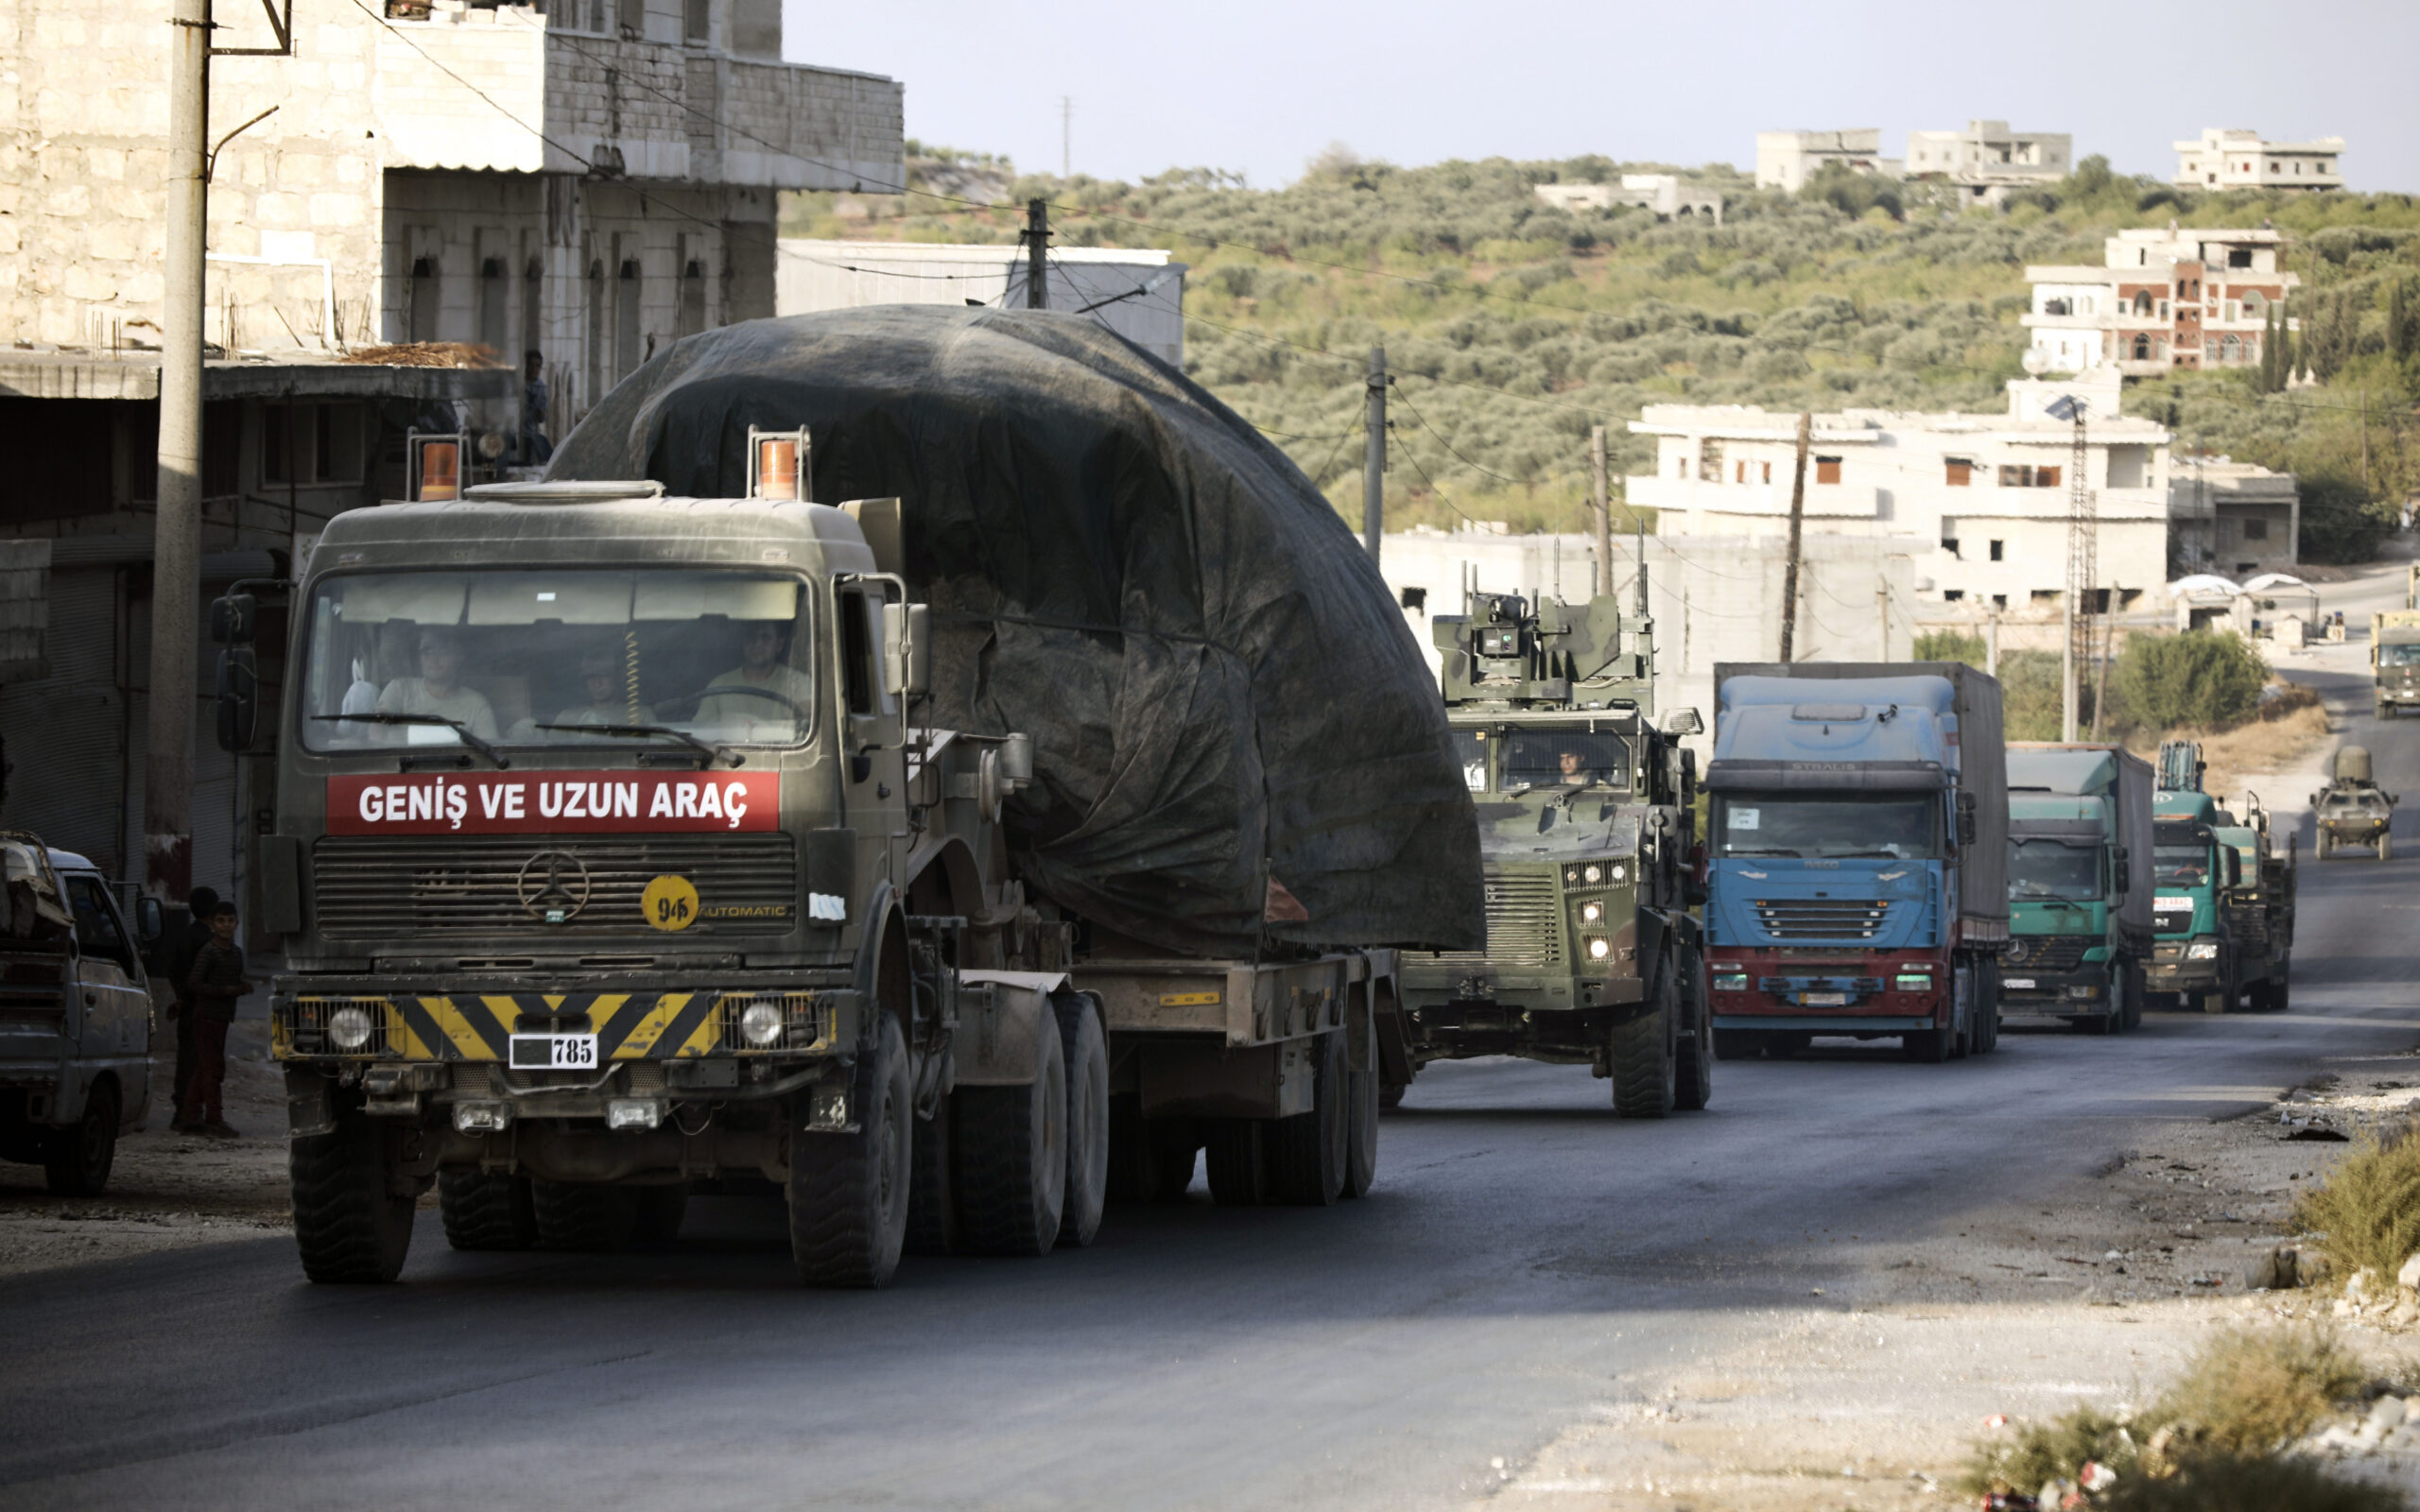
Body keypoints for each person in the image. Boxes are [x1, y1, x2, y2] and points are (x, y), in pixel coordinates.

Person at [179, 900, 251, 1139]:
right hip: (206, 1017)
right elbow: (194, 983)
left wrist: (240, 988)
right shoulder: (209, 951)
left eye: (230, 920)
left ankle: (189, 1117)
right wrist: (226, 991)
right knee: (212, 1070)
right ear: (212, 924)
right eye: (221, 920)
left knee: (205, 1068)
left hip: (221, 1018)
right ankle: (214, 1119)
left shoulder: (236, 953)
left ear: (237, 923)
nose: (226, 925)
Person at [376, 627, 499, 740]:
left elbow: (489, 749)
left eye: (443, 651)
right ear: (419, 658)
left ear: (459, 657)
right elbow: (377, 733)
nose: (433, 659)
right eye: (427, 652)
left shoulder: (476, 704)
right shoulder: (399, 689)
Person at [164, 885, 218, 1131]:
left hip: (187, 1008)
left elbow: (174, 971)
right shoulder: (210, 942)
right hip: (204, 1011)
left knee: (186, 1060)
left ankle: (182, 1112)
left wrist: (180, 999)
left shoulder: (185, 936)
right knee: (201, 1063)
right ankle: (193, 1114)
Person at [695, 622, 811, 730]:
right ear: (743, 642)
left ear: (779, 645)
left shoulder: (799, 685)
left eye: (765, 637)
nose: (757, 643)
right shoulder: (718, 687)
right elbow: (700, 731)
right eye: (751, 636)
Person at [552, 650, 655, 733]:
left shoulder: (641, 716)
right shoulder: (567, 719)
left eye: (604, 675)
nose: (597, 683)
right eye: (590, 676)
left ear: (619, 676)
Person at [519, 350, 553, 466]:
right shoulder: (518, 382)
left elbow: (541, 418)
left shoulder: (541, 388)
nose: (534, 369)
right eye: (531, 365)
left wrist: (540, 413)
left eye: (537, 366)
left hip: (528, 435)